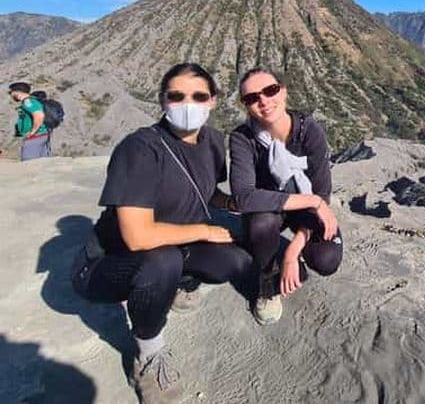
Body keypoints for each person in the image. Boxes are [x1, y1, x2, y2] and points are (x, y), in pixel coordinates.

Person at [71, 63, 255, 404]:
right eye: (177, 96)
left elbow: (206, 190)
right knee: (162, 261)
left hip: (171, 246)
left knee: (233, 260)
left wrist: (234, 203)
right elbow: (138, 237)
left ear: (213, 100)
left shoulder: (214, 141)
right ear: (162, 100)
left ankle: (169, 287)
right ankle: (148, 356)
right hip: (106, 265)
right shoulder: (141, 149)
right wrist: (204, 230)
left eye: (199, 96)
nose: (188, 104)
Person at [229, 67, 342, 325]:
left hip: (305, 211)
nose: (263, 101)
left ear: (284, 92)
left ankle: (287, 253)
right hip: (270, 211)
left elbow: (321, 192)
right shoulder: (243, 139)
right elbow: (243, 198)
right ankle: (267, 278)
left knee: (326, 260)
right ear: (246, 106)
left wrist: (293, 250)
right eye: (252, 98)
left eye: (270, 91)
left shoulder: (309, 131)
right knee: (261, 224)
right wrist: (313, 201)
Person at [8, 81, 51, 160]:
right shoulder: (32, 101)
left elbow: (39, 115)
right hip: (41, 135)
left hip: (35, 137)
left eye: (10, 92)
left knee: (28, 162)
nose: (10, 95)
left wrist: (32, 132)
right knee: (40, 162)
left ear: (18, 92)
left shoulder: (28, 102)